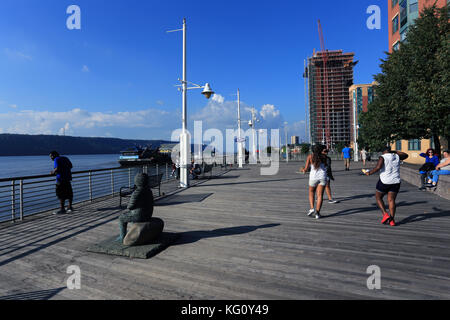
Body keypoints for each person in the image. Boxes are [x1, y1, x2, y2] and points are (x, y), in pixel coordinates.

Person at [364, 146, 409, 227]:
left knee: (378, 197)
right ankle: (392, 220)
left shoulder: (383, 157)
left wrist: (369, 173)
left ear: (383, 151)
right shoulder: (396, 156)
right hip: (395, 181)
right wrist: (394, 151)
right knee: (391, 200)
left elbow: (378, 167)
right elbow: (406, 155)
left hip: (385, 181)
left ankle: (385, 214)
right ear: (389, 150)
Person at [117, 173, 154, 242]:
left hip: (139, 215)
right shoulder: (149, 190)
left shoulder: (137, 192)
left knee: (121, 218)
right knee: (131, 216)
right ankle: (135, 233)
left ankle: (122, 236)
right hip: (148, 214)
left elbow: (130, 207)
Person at [301, 144, 329, 219]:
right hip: (322, 177)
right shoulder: (324, 156)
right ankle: (317, 213)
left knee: (311, 192)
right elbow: (326, 166)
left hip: (313, 177)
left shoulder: (310, 156)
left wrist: (302, 170)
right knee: (320, 196)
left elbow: (306, 169)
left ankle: (312, 208)